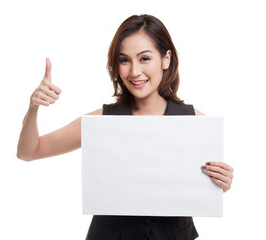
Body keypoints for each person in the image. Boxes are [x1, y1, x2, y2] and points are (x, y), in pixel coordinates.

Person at [17, 14, 234, 240]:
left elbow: (204, 187)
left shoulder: (195, 123)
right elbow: (28, 152)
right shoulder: (100, 122)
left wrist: (221, 184)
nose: (134, 72)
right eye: (124, 60)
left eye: (144, 58)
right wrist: (33, 108)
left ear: (166, 59)